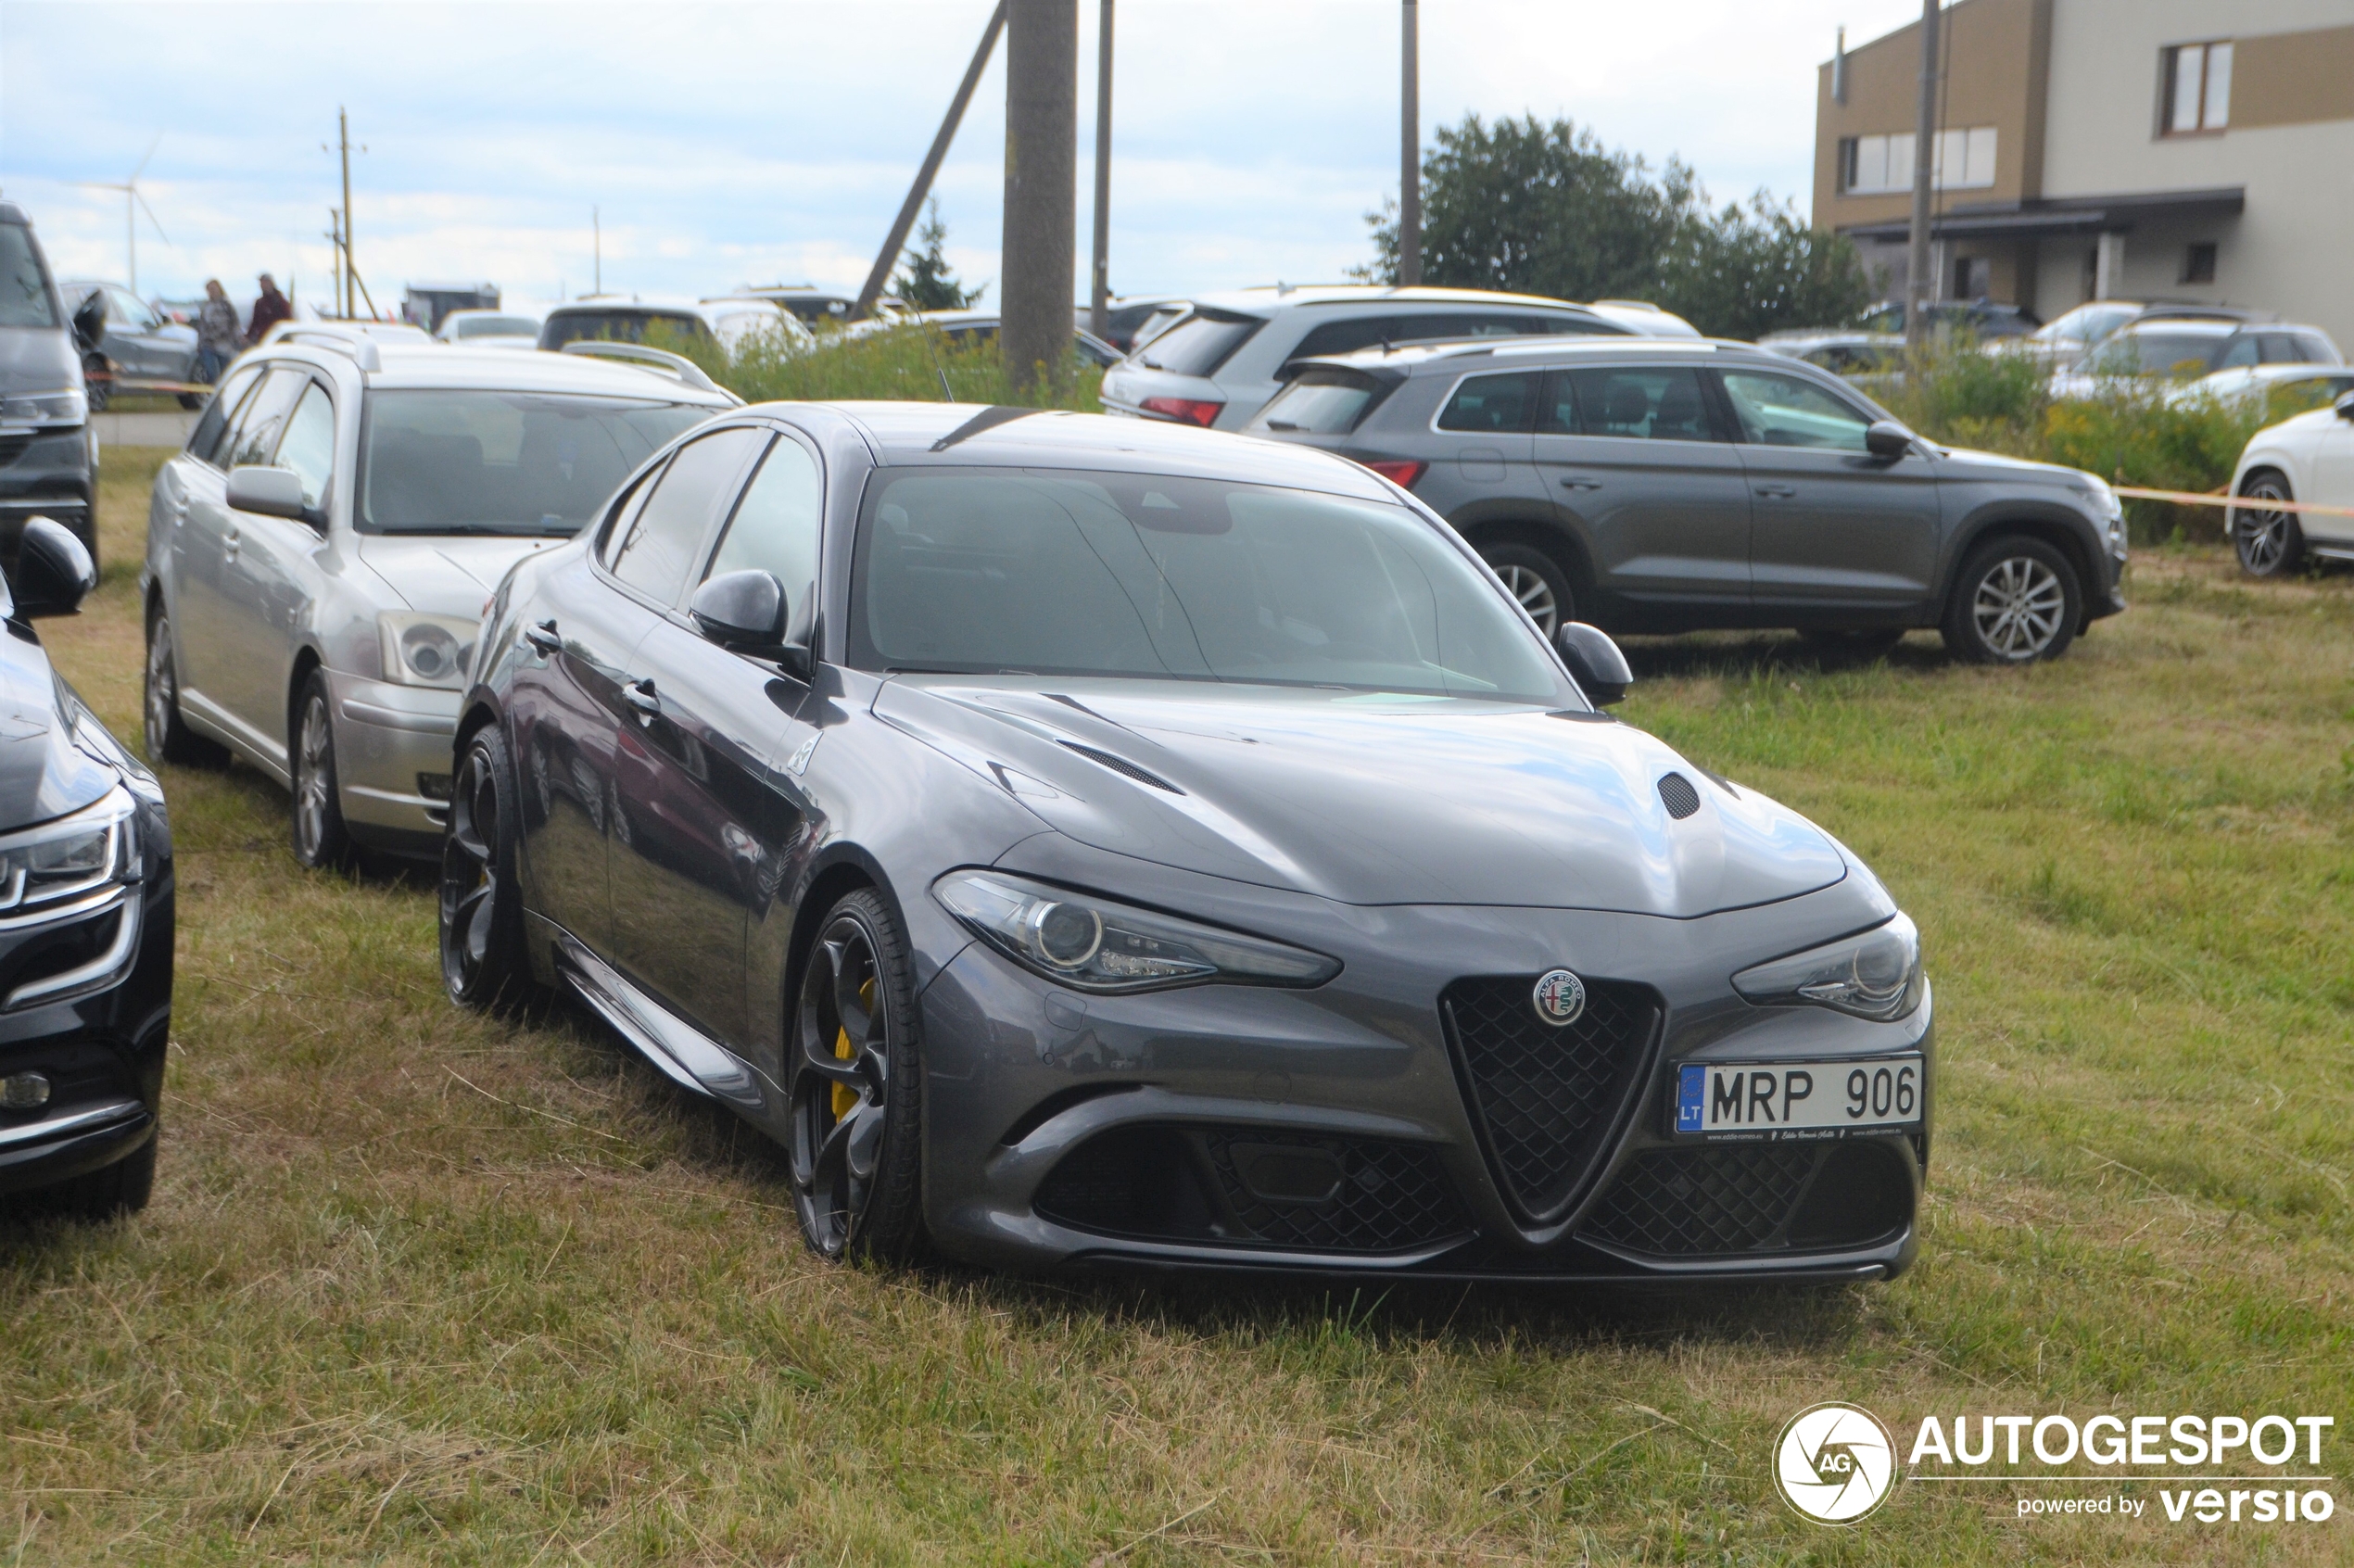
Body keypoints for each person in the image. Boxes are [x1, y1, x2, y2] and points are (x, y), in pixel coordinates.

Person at [196, 279, 239, 383]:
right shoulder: (206, 307)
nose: (212, 291)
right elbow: (201, 326)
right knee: (211, 373)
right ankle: (213, 394)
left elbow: (235, 323)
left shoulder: (226, 305)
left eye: (214, 288)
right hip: (208, 344)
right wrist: (200, 343)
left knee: (225, 372)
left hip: (224, 345)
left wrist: (234, 339)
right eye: (210, 289)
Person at [246, 273, 291, 346]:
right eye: (261, 283)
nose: (262, 285)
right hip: (263, 339)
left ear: (271, 283)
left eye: (265, 282)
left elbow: (288, 320)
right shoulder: (259, 303)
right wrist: (248, 336)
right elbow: (255, 322)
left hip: (278, 339)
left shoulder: (280, 301)